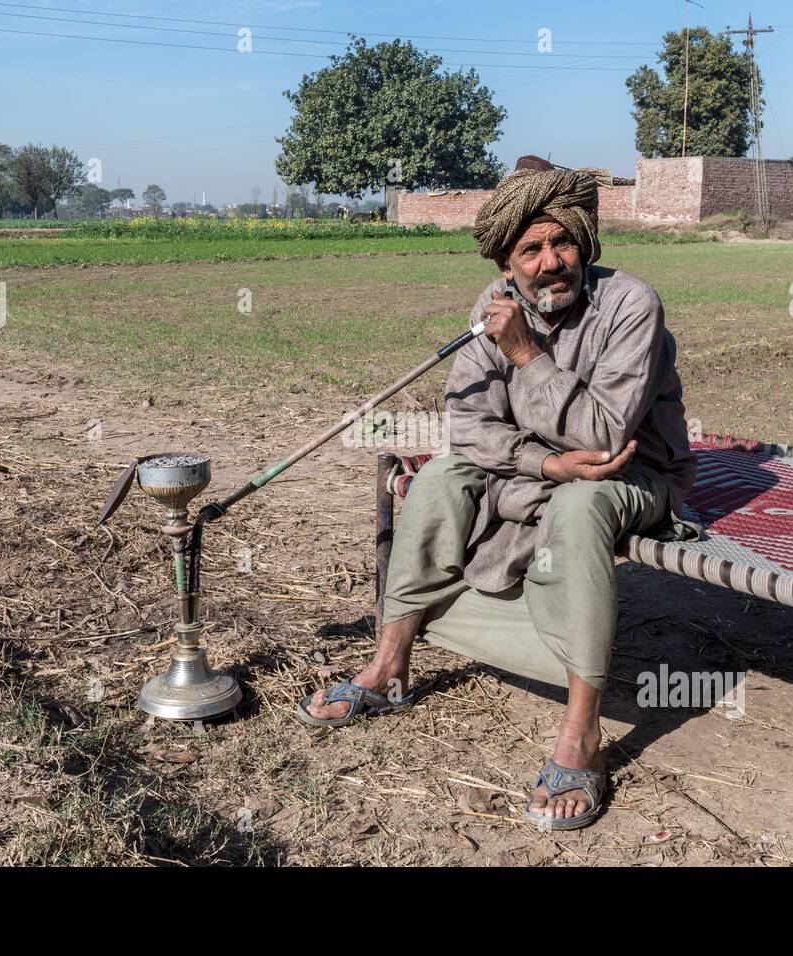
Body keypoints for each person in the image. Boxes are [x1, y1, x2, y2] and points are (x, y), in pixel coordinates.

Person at [299, 156, 698, 830]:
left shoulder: (630, 304)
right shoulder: (495, 310)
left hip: (635, 478)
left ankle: (582, 734)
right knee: (438, 478)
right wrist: (543, 465)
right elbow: (467, 427)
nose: (551, 261)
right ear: (508, 262)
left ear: (584, 242)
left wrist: (525, 357)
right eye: (531, 249)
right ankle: (390, 665)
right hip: (538, 474)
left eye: (562, 242)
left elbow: (604, 440)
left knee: (582, 502)